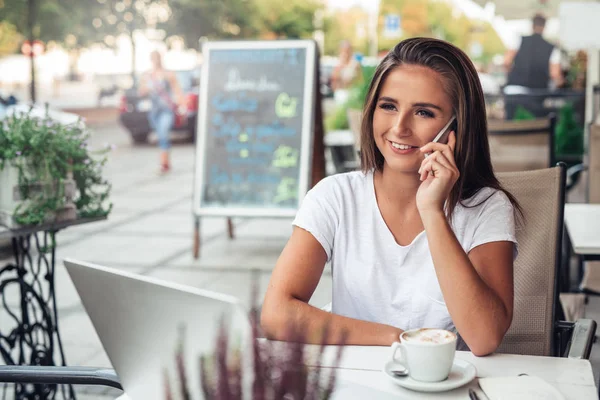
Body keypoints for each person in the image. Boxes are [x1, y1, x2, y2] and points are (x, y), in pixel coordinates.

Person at [261, 37, 520, 357]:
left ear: (457, 127)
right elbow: (275, 315)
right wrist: (395, 338)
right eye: (389, 106)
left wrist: (433, 212)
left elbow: (484, 338)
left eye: (423, 112)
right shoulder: (335, 197)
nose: (399, 127)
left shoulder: (486, 207)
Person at [138, 50, 184, 173]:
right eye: (153, 58)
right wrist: (147, 88)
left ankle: (164, 163)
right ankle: (165, 161)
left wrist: (181, 105)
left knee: (163, 133)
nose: (156, 60)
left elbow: (177, 90)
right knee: (161, 136)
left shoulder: (168, 74)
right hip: (154, 111)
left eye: (157, 58)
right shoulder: (147, 75)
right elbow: (141, 92)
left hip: (166, 110)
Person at [504, 14, 563, 90]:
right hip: (538, 92)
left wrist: (513, 75)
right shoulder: (552, 48)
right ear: (544, 27)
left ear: (532, 25)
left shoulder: (519, 40)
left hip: (515, 88)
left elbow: (506, 62)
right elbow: (555, 74)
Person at [330, 40, 362, 105]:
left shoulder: (355, 64)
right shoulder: (338, 63)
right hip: (341, 93)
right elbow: (334, 79)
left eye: (347, 50)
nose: (346, 52)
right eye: (343, 50)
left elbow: (360, 80)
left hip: (352, 93)